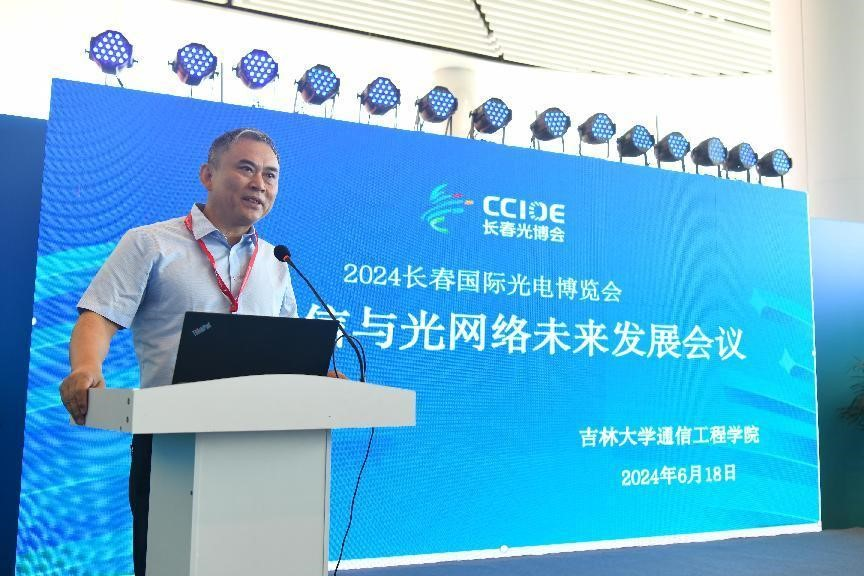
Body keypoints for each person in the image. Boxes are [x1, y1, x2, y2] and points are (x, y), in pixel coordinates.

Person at [58, 128, 298, 576]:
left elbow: (287, 349)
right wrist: (86, 366)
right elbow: (99, 316)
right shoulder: (151, 243)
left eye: (270, 175)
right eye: (246, 168)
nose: (259, 183)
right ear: (207, 175)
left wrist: (316, 376)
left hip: (256, 445)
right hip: (172, 443)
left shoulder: (276, 262)